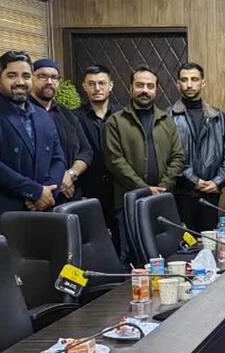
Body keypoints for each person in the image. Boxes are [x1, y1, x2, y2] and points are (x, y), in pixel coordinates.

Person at [0, 50, 66, 235]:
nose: (20, 81)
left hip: (43, 212)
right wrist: (35, 192)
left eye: (26, 76)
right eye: (12, 75)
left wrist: (48, 191)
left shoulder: (42, 115)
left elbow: (58, 158)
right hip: (2, 216)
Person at [105, 65, 186, 253]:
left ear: (156, 89)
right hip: (129, 202)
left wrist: (163, 187)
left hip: (162, 199)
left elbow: (178, 156)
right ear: (130, 88)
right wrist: (145, 189)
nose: (145, 90)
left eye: (150, 86)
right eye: (140, 85)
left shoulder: (167, 121)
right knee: (133, 256)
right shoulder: (116, 121)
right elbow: (115, 161)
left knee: (165, 253)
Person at [170, 62, 225, 233]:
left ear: (203, 83)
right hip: (181, 194)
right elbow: (168, 157)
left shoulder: (218, 117)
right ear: (178, 84)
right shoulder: (168, 116)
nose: (189, 84)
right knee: (184, 243)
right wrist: (194, 181)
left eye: (194, 79)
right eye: (184, 80)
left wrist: (217, 182)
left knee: (210, 243)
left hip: (211, 193)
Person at [30, 58, 91, 203]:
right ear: (31, 78)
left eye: (54, 77)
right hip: (38, 197)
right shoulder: (24, 114)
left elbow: (86, 151)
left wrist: (71, 174)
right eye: (42, 76)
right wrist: (54, 182)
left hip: (70, 195)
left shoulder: (67, 115)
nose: (49, 82)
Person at [74, 64, 118, 235]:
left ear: (110, 86)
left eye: (102, 83)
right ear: (84, 86)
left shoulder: (123, 115)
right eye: (91, 84)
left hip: (118, 191)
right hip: (87, 189)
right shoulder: (73, 117)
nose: (97, 88)